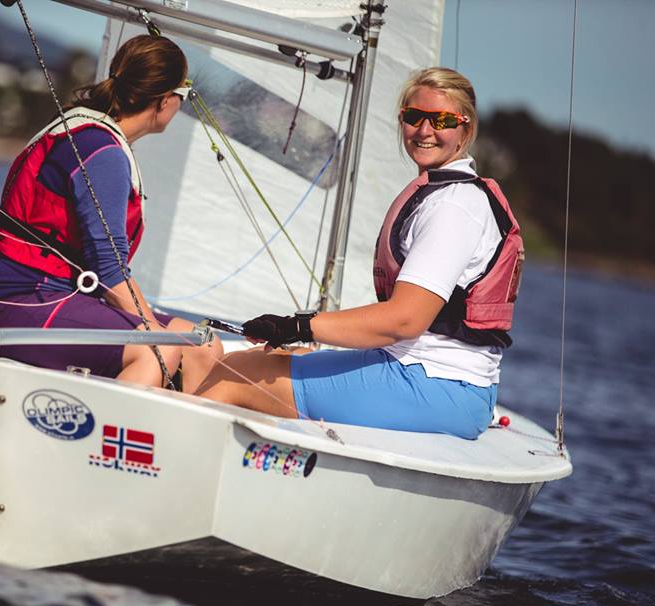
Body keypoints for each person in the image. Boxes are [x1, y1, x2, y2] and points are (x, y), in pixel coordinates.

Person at [195, 67, 523, 439]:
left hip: (436, 386)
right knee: (258, 359)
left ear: (466, 128)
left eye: (442, 120)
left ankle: (167, 467)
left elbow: (405, 321)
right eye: (414, 117)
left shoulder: (453, 206)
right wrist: (294, 337)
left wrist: (297, 327)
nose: (424, 130)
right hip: (428, 376)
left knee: (235, 375)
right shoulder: (449, 195)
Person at [0, 35, 222, 390]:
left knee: (203, 346)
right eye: (184, 92)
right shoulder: (102, 152)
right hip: (25, 301)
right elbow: (108, 270)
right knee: (158, 351)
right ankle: (104, 427)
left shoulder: (97, 138)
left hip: (63, 297)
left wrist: (152, 327)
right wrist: (152, 330)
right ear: (164, 100)